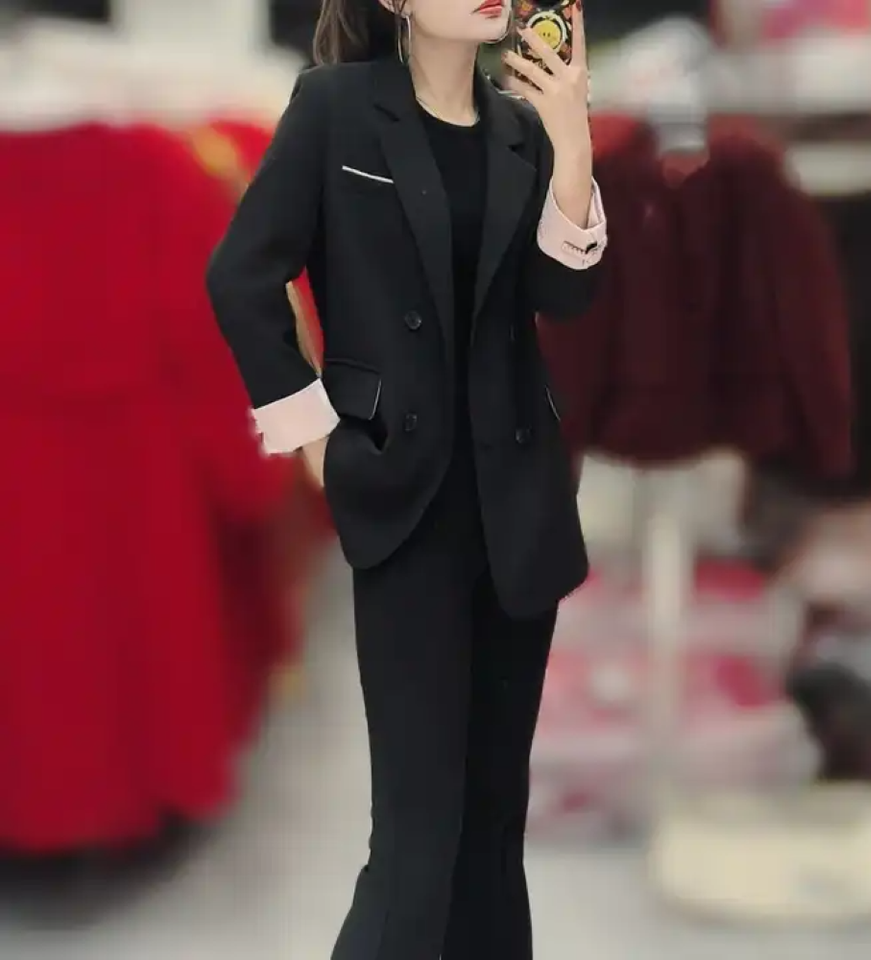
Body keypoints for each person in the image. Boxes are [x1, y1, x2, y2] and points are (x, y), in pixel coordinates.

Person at [206, 0, 607, 957]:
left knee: (492, 837)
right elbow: (242, 276)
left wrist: (573, 137)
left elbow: (565, 294)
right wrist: (312, 438)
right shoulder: (336, 108)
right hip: (405, 510)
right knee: (416, 846)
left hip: (518, 513)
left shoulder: (520, 128)